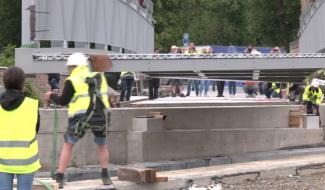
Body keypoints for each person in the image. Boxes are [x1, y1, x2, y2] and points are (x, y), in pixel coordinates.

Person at [44, 53, 114, 189]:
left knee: (68, 144)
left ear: (72, 66)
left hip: (81, 115)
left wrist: (51, 96)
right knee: (102, 144)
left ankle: (60, 177)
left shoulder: (73, 78)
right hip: (101, 114)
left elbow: (63, 101)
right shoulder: (99, 77)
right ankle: (105, 175)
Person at [0, 66, 41, 190]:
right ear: (22, 84)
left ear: (4, 83)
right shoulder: (32, 105)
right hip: (27, 162)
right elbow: (36, 129)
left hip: (2, 162)